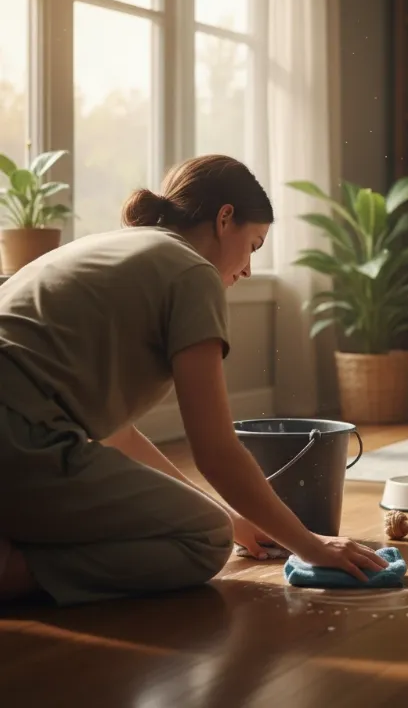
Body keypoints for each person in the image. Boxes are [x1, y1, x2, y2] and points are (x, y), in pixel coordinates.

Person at [0, 153, 386, 606]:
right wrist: (312, 546)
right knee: (204, 537)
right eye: (255, 245)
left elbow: (118, 434)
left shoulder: (112, 248)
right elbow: (216, 453)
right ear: (225, 219)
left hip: (19, 430)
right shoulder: (192, 272)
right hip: (18, 439)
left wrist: (235, 513)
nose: (247, 270)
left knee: (211, 519)